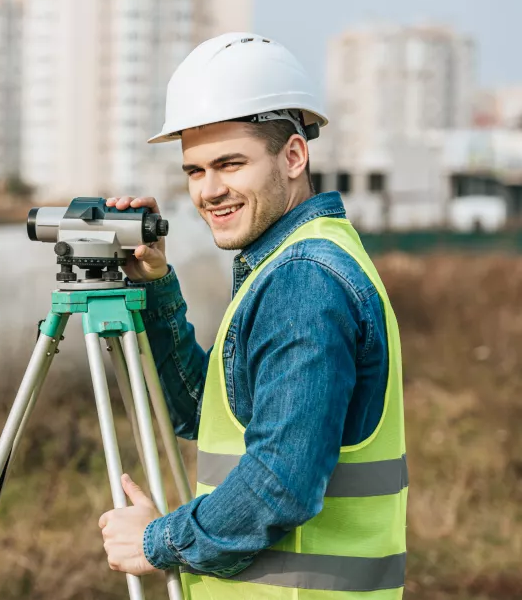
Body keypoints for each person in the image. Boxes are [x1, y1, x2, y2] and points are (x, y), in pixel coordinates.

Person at [96, 32, 408, 599]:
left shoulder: (304, 281)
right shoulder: (296, 261)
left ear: (293, 155)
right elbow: (204, 414)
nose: (209, 191)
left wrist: (156, 542)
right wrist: (157, 287)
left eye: (230, 164)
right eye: (195, 171)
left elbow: (279, 484)